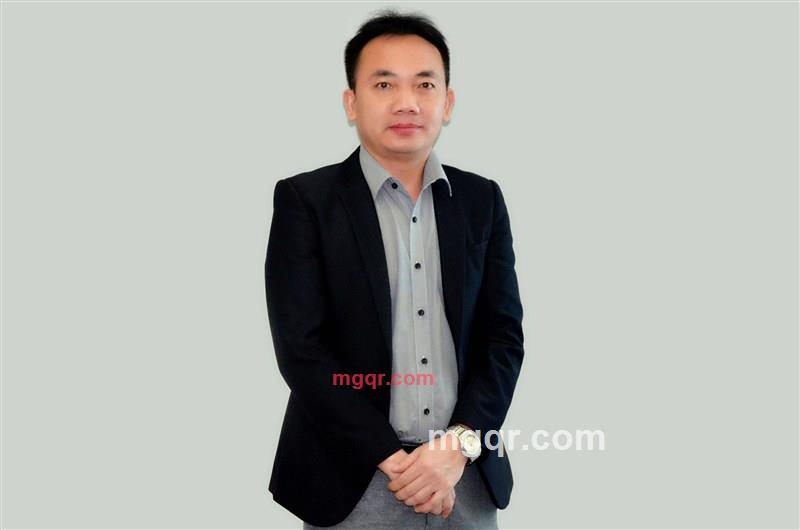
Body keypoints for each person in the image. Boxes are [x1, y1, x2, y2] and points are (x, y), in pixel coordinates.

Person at [264, 9, 524, 529]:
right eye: (384, 84)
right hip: (352, 476)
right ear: (351, 102)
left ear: (447, 102)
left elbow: (503, 338)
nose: (407, 101)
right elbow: (302, 351)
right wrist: (396, 462)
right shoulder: (306, 201)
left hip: (463, 475)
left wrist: (456, 447)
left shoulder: (481, 200)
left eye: (424, 84)